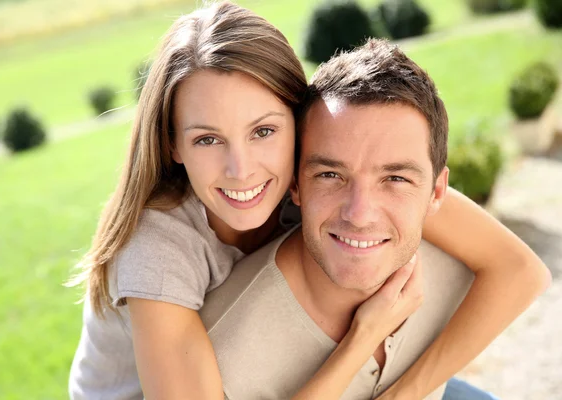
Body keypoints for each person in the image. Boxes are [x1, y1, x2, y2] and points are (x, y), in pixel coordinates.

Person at [68, 2, 550, 399]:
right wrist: (365, 335)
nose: (242, 170)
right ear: (172, 144)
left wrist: (407, 392)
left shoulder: (322, 167)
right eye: (207, 140)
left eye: (263, 131)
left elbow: (519, 269)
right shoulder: (157, 251)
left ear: (299, 124)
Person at [198, 38, 515, 400]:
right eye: (331, 175)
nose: (359, 214)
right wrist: (363, 338)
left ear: (437, 193)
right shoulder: (225, 357)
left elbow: (522, 272)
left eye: (395, 179)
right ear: (296, 185)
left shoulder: (458, 259)